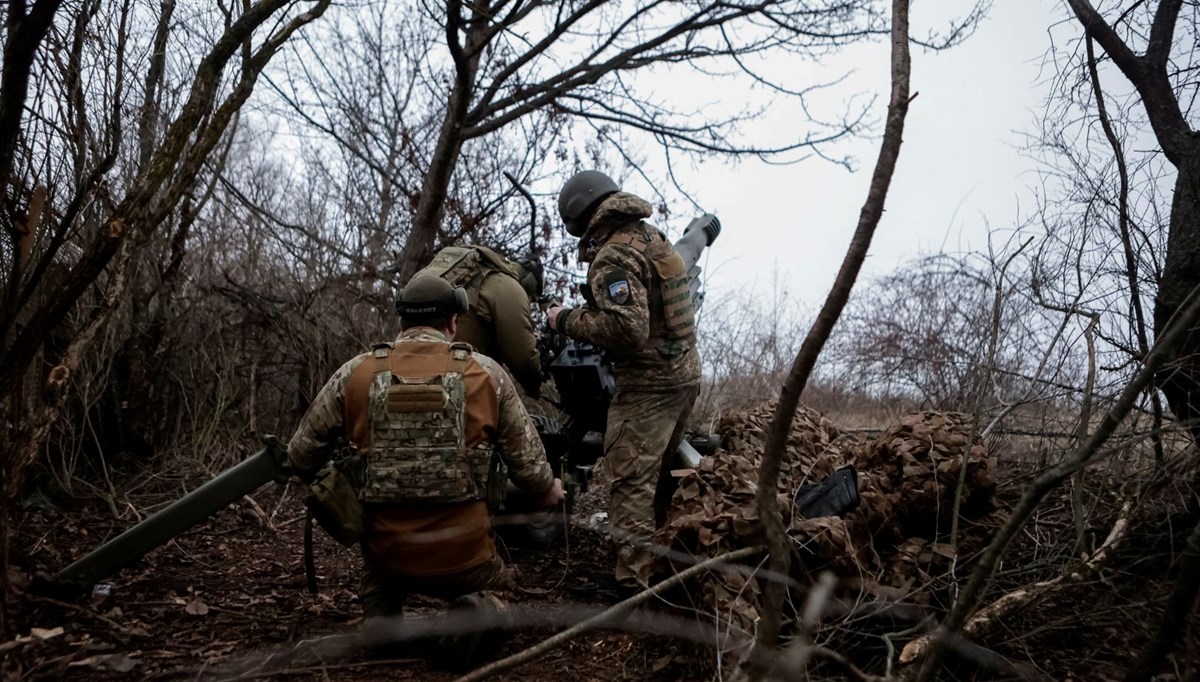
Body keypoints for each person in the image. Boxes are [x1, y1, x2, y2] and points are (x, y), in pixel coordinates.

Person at [287, 272, 564, 657]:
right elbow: (532, 472)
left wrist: (337, 488)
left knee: (380, 579)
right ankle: (478, 612)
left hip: (386, 555)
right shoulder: (485, 374)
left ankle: (383, 620)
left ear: (402, 322)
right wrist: (550, 489)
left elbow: (300, 457)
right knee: (502, 591)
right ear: (453, 322)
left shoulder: (357, 373)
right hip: (465, 557)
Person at [546, 170, 702, 592]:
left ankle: (635, 582)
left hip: (648, 386)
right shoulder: (650, 238)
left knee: (630, 480)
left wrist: (564, 318)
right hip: (682, 375)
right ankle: (670, 560)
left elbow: (627, 330)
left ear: (578, 219)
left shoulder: (613, 256)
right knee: (663, 473)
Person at [415, 245, 545, 398]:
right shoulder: (508, 286)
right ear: (530, 283)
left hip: (410, 366)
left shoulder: (472, 274)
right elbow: (523, 358)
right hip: (456, 379)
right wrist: (535, 385)